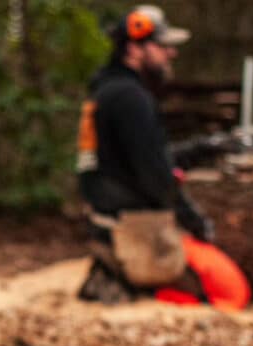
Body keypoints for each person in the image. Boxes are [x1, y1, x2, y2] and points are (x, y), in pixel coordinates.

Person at [76, 5, 214, 304]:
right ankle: (121, 282)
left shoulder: (108, 91)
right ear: (135, 50)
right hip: (132, 228)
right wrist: (194, 221)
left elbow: (141, 158)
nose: (170, 54)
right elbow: (155, 175)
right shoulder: (129, 98)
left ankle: (113, 276)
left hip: (107, 219)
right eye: (162, 46)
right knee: (218, 288)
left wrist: (203, 150)